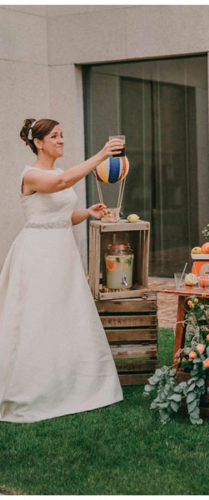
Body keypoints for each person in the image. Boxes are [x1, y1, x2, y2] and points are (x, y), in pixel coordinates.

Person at [0, 118, 125, 423]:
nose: (61, 140)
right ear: (38, 142)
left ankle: (72, 383)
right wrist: (101, 156)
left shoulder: (57, 172)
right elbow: (61, 184)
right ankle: (33, 387)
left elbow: (60, 216)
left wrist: (87, 212)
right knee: (37, 316)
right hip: (37, 254)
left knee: (65, 313)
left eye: (62, 135)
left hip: (62, 253)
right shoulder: (31, 175)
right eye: (54, 136)